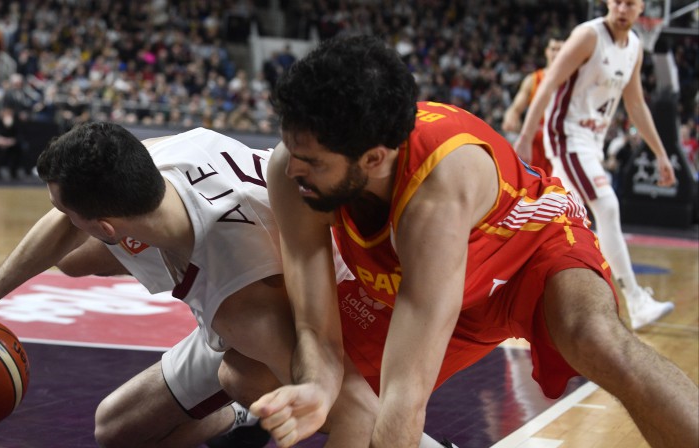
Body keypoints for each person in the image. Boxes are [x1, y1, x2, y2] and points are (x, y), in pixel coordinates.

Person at [249, 35, 698, 448]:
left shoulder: (437, 186)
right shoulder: (292, 173)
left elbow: (408, 393)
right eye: (292, 150)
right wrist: (317, 386)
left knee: (596, 338)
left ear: (373, 158)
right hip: (431, 280)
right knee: (249, 373)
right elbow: (314, 330)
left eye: (311, 162)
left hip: (525, 251)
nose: (291, 171)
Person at [0, 122, 447, 448]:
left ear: (108, 229)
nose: (57, 219)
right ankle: (239, 424)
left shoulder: (242, 307)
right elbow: (65, 230)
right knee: (115, 429)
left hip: (328, 312)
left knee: (243, 374)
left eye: (66, 212)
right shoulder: (162, 157)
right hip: (226, 264)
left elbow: (355, 415)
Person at [514, 0, 675, 330]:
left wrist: (661, 153)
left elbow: (636, 104)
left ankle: (515, 286)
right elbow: (548, 84)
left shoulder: (634, 48)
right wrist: (527, 135)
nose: (621, 9)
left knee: (558, 218)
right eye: (616, 1)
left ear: (641, 7)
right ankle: (635, 299)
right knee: (608, 206)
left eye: (629, 3)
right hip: (567, 136)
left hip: (592, 142)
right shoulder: (588, 35)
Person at [502, 36, 564, 176]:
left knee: (560, 192)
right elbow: (515, 109)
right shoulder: (533, 79)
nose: (556, 53)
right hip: (535, 142)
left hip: (560, 144)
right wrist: (510, 117)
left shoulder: (574, 81)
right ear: (547, 52)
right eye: (553, 49)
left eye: (560, 50)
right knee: (529, 188)